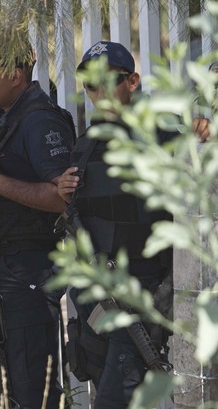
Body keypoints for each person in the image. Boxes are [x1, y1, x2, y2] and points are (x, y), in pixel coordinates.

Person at [57, 40, 211, 408]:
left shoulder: (157, 130)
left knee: (114, 398)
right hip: (97, 295)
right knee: (102, 379)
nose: (100, 92)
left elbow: (198, 138)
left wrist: (201, 129)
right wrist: (62, 189)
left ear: (133, 82)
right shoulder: (86, 145)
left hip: (142, 292)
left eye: (110, 80)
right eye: (91, 85)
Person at [0, 43, 75, 408]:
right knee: (8, 392)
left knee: (31, 390)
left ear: (15, 75)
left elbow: (63, 198)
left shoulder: (40, 121)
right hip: (7, 272)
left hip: (29, 274)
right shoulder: (9, 118)